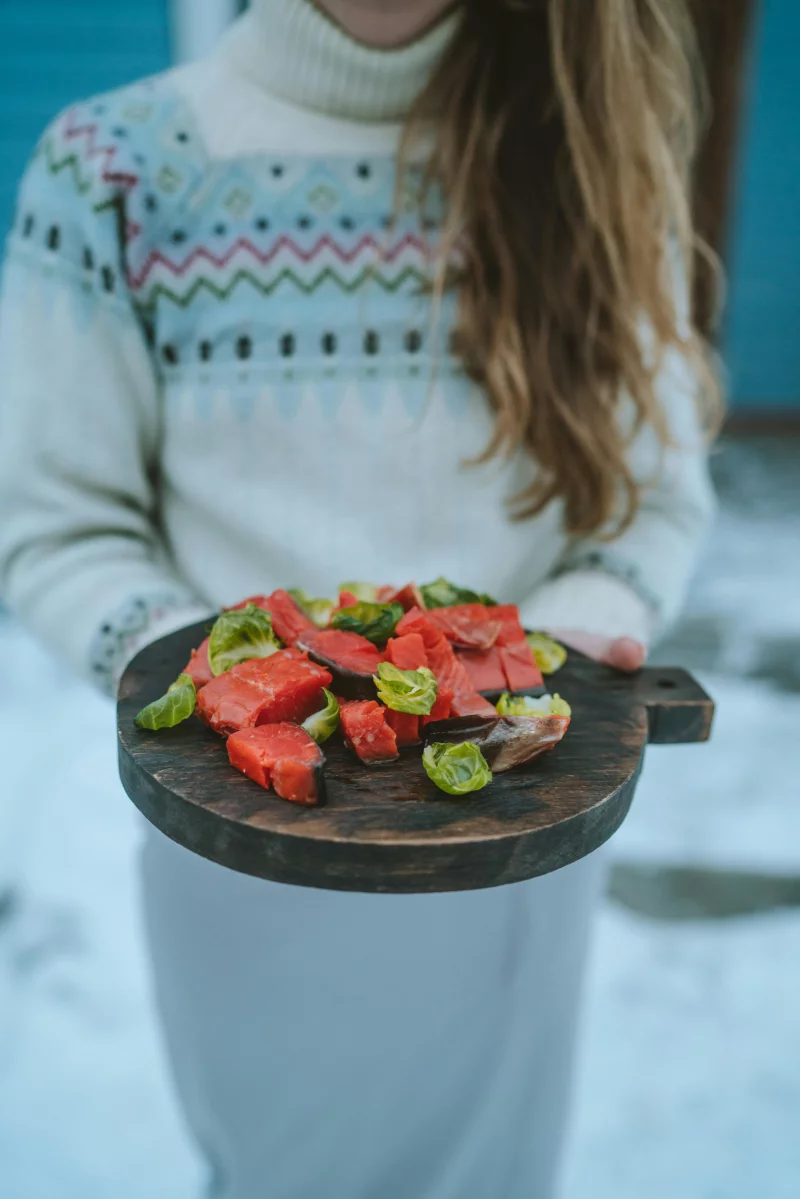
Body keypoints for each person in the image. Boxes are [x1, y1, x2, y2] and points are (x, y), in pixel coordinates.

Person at [0, 1, 719, 1196]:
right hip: (244, 853)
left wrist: (567, 647)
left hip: (514, 837)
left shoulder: (593, 145)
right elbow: (58, 526)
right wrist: (213, 696)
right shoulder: (113, 171)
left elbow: (651, 498)